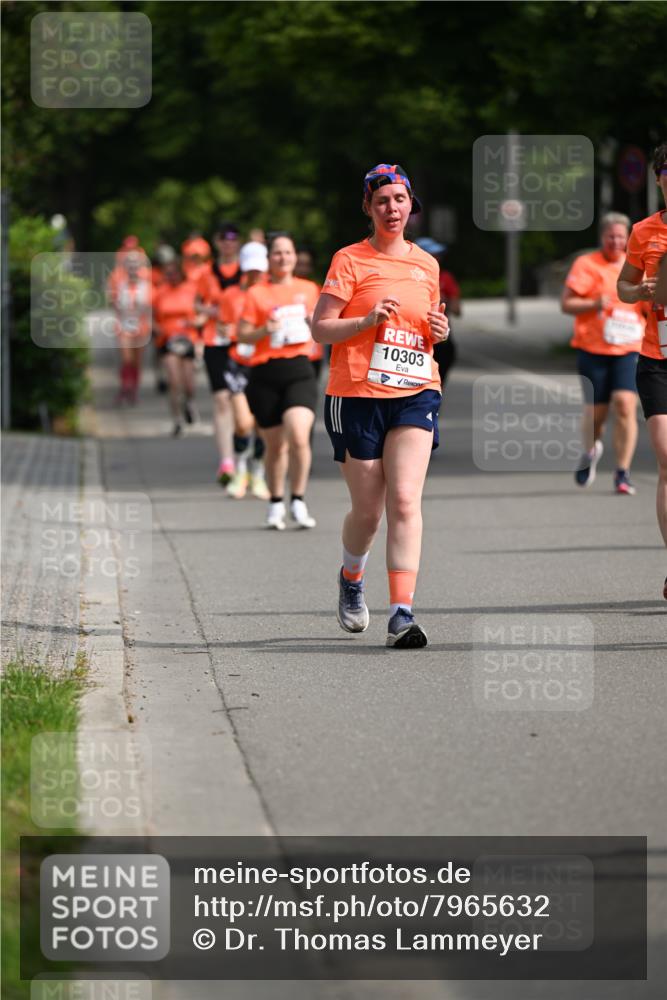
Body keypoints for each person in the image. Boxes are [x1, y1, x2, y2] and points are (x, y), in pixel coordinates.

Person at [311, 163, 448, 648]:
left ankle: (402, 615)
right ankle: (351, 578)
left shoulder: (426, 264)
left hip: (415, 390)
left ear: (412, 205)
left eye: (400, 199)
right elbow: (321, 328)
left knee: (405, 499)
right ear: (368, 208)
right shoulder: (349, 260)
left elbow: (428, 326)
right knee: (368, 511)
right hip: (355, 396)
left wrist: (439, 331)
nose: (393, 208)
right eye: (383, 200)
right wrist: (367, 320)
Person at [237, 234, 320, 529]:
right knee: (275, 446)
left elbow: (326, 328)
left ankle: (297, 499)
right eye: (277, 253)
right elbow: (241, 335)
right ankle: (275, 503)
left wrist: (316, 325)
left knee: (298, 435)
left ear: (295, 257)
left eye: (287, 252)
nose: (282, 257)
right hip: (265, 374)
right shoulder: (256, 293)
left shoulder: (310, 289)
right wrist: (263, 330)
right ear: (268, 259)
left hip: (300, 369)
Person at [562, 212, 647, 494]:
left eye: (621, 237)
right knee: (595, 415)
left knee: (625, 405)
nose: (616, 241)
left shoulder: (637, 266)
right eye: (611, 236)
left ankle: (622, 473)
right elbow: (567, 303)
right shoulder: (587, 264)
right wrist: (594, 302)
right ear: (602, 237)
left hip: (629, 348)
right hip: (593, 348)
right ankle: (591, 450)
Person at [617, 141, 667, 598]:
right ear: (657, 178)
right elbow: (624, 288)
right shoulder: (644, 232)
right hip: (657, 360)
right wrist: (642, 290)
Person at [196, 240, 269, 496]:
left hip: (265, 363)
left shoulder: (271, 294)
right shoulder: (231, 296)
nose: (254, 276)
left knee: (262, 422)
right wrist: (233, 332)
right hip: (238, 363)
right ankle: (239, 469)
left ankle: (258, 473)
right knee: (243, 422)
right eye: (250, 271)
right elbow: (224, 329)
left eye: (259, 271)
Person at [152, 258, 202, 436]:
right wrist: (156, 328)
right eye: (168, 274)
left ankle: (189, 402)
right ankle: (177, 419)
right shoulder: (159, 292)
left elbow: (202, 313)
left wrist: (196, 322)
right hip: (167, 340)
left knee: (188, 383)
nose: (171, 277)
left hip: (188, 338)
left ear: (181, 274)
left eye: (174, 273)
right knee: (174, 381)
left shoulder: (191, 290)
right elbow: (151, 316)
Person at [108, 250, 152, 404]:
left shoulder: (147, 285)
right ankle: (125, 387)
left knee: (137, 361)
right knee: (126, 359)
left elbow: (150, 306)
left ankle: (134, 390)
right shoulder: (120, 284)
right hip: (125, 326)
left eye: (135, 264)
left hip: (141, 326)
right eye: (130, 264)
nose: (132, 268)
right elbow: (113, 302)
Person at [415, 236, 461, 386]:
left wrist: (444, 301)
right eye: (433, 254)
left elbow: (457, 311)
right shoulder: (406, 277)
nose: (438, 258)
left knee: (436, 383)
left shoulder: (445, 278)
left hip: (440, 339)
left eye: (438, 254)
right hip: (414, 340)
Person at [210, 223, 242, 291]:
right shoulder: (207, 271)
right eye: (222, 237)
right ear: (215, 241)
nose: (227, 242)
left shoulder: (248, 270)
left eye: (232, 237)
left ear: (239, 241)